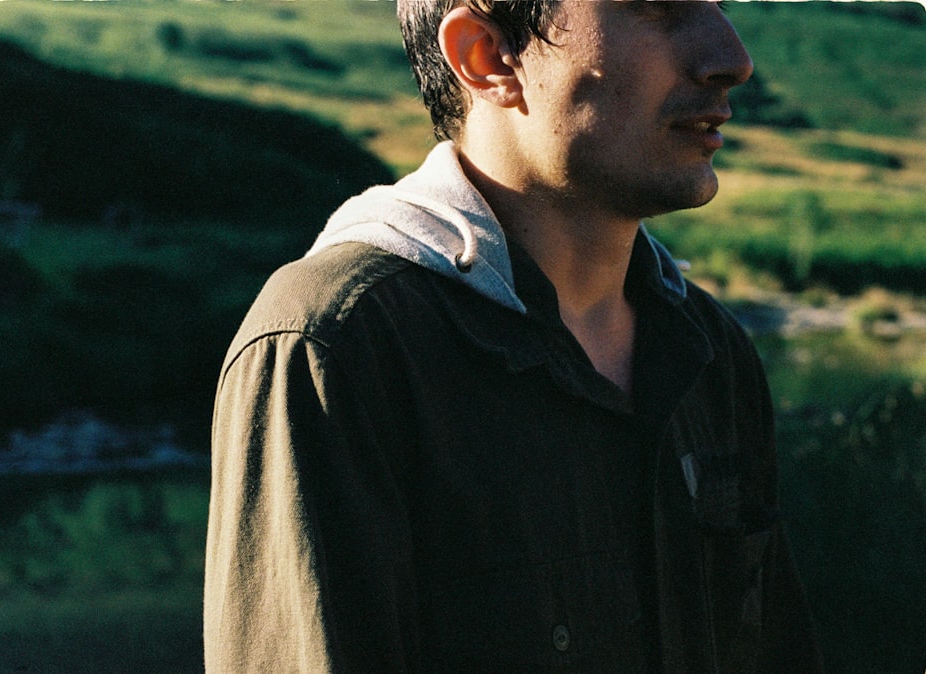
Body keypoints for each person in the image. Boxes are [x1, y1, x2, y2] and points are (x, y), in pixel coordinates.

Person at [204, 1, 823, 671]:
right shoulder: (336, 346)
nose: (733, 59)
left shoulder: (710, 349)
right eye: (658, 8)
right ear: (488, 56)